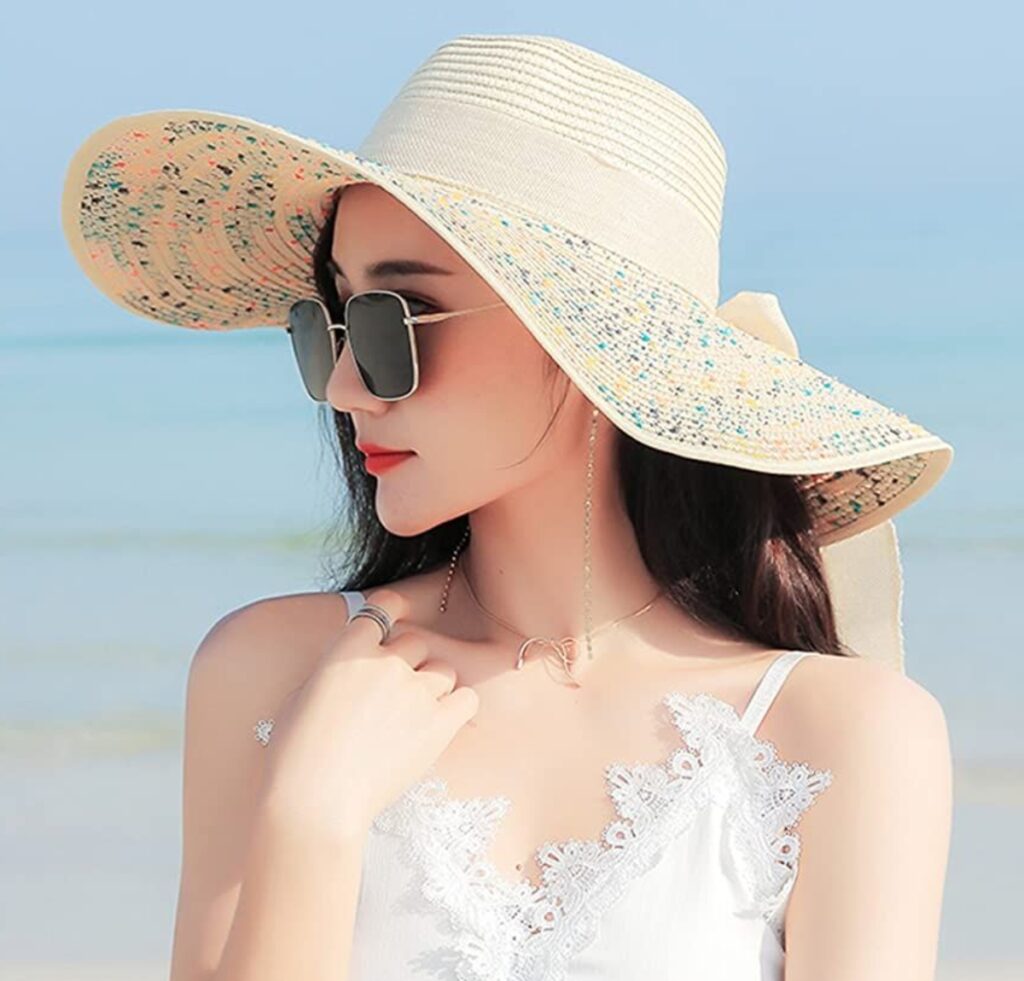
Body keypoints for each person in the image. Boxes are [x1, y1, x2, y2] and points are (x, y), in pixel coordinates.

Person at [61, 32, 955, 981]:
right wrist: (309, 823)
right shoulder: (270, 673)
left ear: (583, 342)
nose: (345, 384)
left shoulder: (841, 731)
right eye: (330, 322)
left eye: (393, 319)